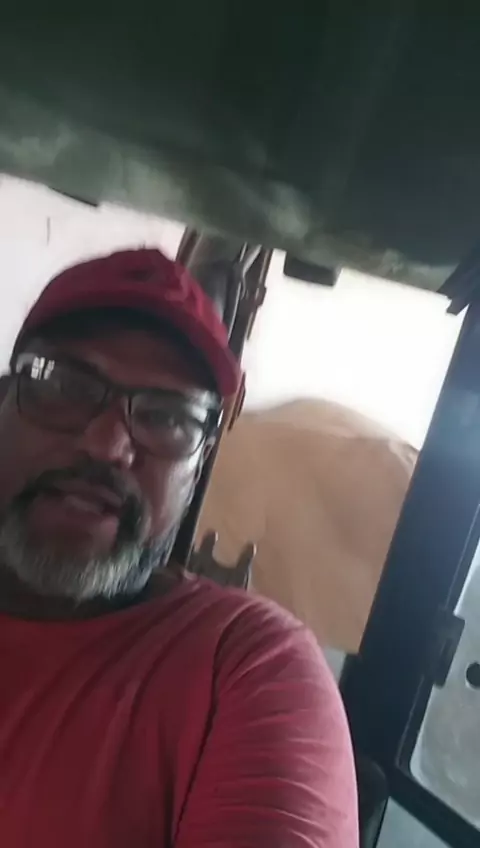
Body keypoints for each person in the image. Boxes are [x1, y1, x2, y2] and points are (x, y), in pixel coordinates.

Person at [0, 247, 359, 847]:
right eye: (65, 385)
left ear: (197, 470)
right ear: (3, 402)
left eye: (168, 419)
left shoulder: (245, 668)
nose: (106, 445)